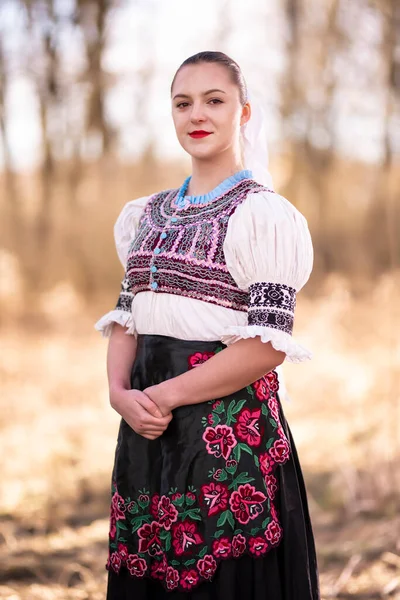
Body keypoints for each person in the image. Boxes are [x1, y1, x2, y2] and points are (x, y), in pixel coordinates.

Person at [95, 51, 320, 600]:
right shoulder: (145, 215)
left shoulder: (263, 217)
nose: (198, 114)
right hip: (146, 431)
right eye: (183, 103)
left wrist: (165, 395)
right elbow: (128, 314)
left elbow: (266, 346)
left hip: (226, 437)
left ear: (243, 113)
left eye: (214, 100)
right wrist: (119, 393)